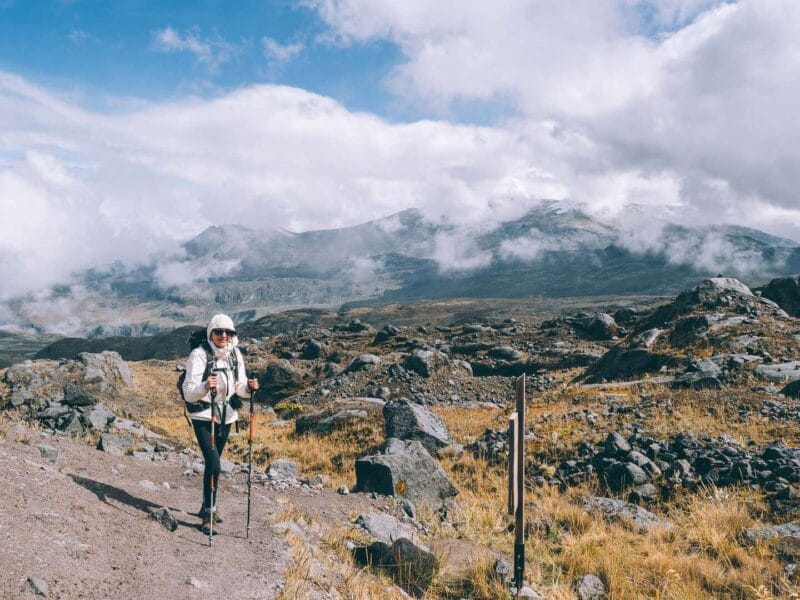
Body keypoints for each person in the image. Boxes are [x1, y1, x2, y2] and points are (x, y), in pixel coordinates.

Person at [182, 314, 259, 534]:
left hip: (227, 415)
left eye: (228, 332)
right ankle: (209, 513)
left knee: (212, 464)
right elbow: (189, 393)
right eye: (218, 332)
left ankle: (206, 505)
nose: (223, 336)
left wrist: (250, 388)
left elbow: (240, 387)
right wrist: (205, 386)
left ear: (233, 334)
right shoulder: (198, 355)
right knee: (214, 464)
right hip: (204, 416)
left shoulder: (235, 354)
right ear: (210, 333)